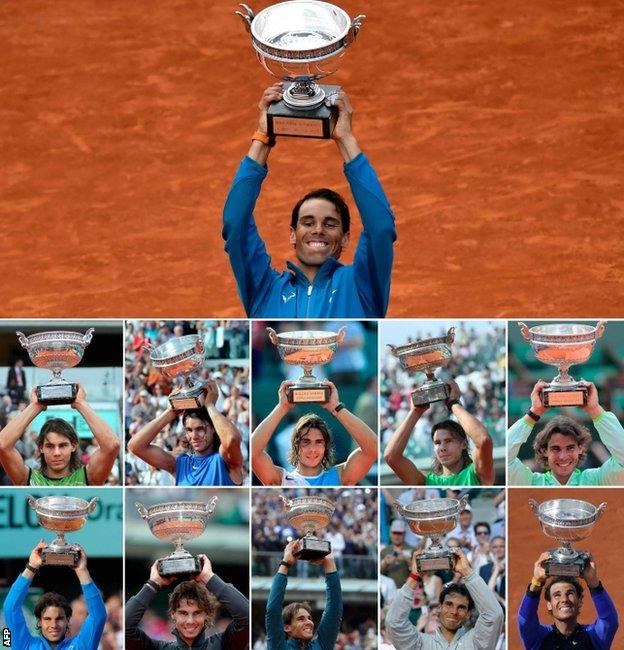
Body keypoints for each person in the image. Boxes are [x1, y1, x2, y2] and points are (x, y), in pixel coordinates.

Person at [222, 83, 396, 318]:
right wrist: (262, 137)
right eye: (308, 222)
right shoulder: (265, 289)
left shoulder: (360, 285)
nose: (318, 230)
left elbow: (381, 228)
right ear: (292, 234)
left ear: (345, 238)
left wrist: (346, 139)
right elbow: (235, 225)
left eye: (330, 223)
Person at [251, 380, 377, 486]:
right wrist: (282, 407)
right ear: (296, 445)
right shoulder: (281, 480)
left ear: (325, 446)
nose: (312, 449)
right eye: (306, 442)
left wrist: (336, 407)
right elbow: (253, 452)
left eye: (319, 442)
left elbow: (372, 449)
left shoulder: (341, 477)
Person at [508, 380, 624, 485]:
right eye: (555, 449)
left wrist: (594, 409)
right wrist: (534, 412)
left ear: (581, 448)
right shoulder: (530, 483)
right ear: (544, 451)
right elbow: (506, 458)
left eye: (570, 448)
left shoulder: (597, 480)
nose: (563, 456)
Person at [127, 381, 243, 486]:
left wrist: (210, 406)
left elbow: (231, 439)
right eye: (189, 430)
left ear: (213, 428)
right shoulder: (178, 462)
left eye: (200, 429)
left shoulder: (225, 459)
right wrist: (170, 412)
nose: (194, 436)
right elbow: (135, 446)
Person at [0, 385, 120, 486]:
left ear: (73, 446)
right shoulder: (26, 479)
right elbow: (2, 444)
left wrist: (81, 404)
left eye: (62, 446)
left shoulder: (89, 477)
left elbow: (112, 445)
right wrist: (35, 406)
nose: (56, 453)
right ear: (41, 447)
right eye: (50, 446)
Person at [386, 548, 504, 649]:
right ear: (439, 608)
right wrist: (414, 575)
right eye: (449, 604)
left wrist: (466, 571)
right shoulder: (420, 644)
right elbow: (394, 623)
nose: (454, 612)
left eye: (461, 607)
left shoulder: (476, 643)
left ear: (468, 614)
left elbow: (494, 615)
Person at [384, 380, 494, 486]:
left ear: (464, 444)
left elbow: (483, 440)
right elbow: (391, 457)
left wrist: (453, 403)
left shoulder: (477, 473)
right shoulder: (426, 481)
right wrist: (415, 412)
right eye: (437, 442)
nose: (442, 448)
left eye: (448, 441)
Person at [125, 555, 249, 649]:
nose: (190, 621)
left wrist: (208, 577)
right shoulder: (156, 647)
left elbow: (246, 616)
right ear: (173, 614)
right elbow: (125, 625)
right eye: (183, 613)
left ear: (206, 614)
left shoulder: (223, 644)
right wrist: (153, 584)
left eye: (197, 613)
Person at [2, 541, 106, 649]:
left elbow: (98, 616)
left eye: (59, 618)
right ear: (39, 621)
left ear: (67, 620)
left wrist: (82, 570)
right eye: (47, 619)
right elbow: (10, 608)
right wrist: (31, 567)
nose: (54, 625)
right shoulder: (25, 645)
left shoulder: (80, 646)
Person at [517, 552, 618, 649]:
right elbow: (525, 622)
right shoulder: (539, 638)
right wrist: (537, 582)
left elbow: (609, 620)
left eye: (570, 593)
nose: (564, 599)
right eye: (557, 595)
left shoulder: (594, 636)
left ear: (579, 601)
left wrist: (593, 583)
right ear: (549, 605)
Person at [265, 540, 342, 649]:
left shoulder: (321, 645)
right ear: (287, 628)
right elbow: (273, 610)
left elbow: (334, 610)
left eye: (309, 618)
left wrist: (329, 561)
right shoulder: (279, 646)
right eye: (301, 619)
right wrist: (285, 564)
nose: (309, 622)